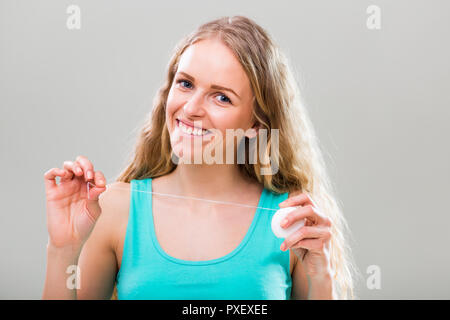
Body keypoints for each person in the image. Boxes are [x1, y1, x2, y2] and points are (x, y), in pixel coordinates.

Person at [42, 15, 357, 300]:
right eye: (185, 84)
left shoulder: (292, 219)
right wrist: (63, 250)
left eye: (221, 97)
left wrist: (322, 276)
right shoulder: (114, 210)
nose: (191, 108)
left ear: (255, 124)